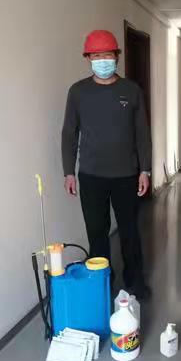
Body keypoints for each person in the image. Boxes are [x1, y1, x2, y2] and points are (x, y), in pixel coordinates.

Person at [61, 30, 152, 299]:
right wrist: (68, 172)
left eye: (107, 55)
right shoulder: (78, 92)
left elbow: (142, 134)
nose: (102, 60)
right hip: (91, 176)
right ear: (88, 58)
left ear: (117, 57)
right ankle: (101, 284)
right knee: (97, 234)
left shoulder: (131, 91)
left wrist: (145, 169)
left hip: (126, 175)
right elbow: (69, 133)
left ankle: (135, 282)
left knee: (129, 231)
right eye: (96, 56)